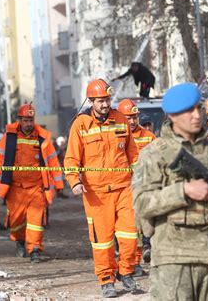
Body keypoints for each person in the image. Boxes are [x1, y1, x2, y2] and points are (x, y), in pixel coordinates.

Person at [132, 83, 208, 300]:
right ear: (172, 115)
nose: (196, 115)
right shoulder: (154, 154)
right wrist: (183, 191)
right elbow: (142, 204)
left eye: (198, 108)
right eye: (188, 110)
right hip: (174, 258)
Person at [64, 79, 139, 298]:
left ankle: (126, 273)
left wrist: (140, 178)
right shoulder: (81, 125)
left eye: (107, 100)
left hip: (124, 187)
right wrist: (74, 181)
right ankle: (107, 279)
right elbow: (71, 158)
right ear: (91, 101)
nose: (105, 104)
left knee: (129, 234)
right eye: (101, 101)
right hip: (96, 193)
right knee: (103, 239)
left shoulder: (121, 120)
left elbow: (132, 153)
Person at [0, 103, 63, 263]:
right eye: (25, 120)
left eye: (31, 120)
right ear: (19, 120)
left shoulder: (42, 137)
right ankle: (19, 241)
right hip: (15, 189)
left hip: (36, 188)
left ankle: (34, 249)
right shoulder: (9, 137)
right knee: (16, 221)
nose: (29, 124)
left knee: (36, 221)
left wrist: (59, 185)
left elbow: (53, 162)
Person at [117, 99, 156, 276]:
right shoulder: (116, 135)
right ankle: (127, 262)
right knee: (128, 230)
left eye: (134, 117)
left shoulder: (149, 136)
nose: (132, 121)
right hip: (122, 189)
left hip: (144, 189)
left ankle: (136, 262)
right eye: (128, 118)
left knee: (140, 227)